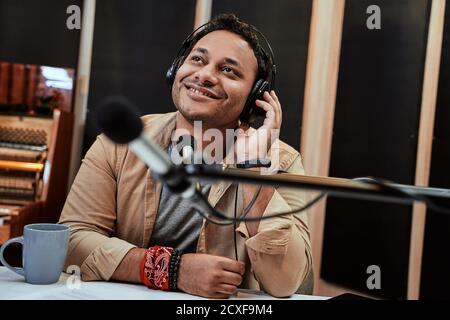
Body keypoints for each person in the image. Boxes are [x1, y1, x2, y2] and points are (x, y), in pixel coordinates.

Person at [59, 13, 312, 298]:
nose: (204, 75)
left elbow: (285, 283)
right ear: (176, 70)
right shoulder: (121, 142)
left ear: (255, 97)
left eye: (229, 70)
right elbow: (72, 240)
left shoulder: (283, 162)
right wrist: (172, 270)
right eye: (198, 60)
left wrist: (253, 172)